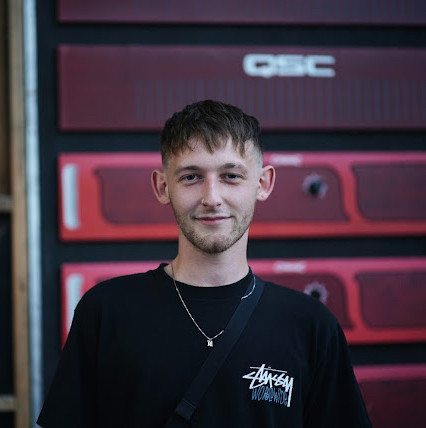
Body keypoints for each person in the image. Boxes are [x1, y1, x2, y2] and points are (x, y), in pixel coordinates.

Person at [37, 100, 371, 427]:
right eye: (191, 177)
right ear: (162, 187)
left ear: (263, 183)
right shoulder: (106, 311)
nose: (211, 198)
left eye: (231, 176)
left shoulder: (311, 326)